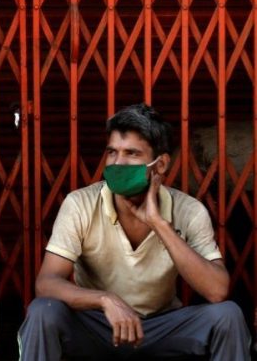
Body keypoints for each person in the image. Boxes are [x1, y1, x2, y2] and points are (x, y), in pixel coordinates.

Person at [18, 103, 251, 360]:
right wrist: (106, 300)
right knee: (44, 311)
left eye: (131, 153)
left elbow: (217, 290)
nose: (118, 163)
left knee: (227, 316)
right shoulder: (81, 204)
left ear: (160, 165)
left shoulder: (189, 210)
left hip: (161, 327)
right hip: (99, 325)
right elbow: (46, 283)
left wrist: (158, 223)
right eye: (112, 152)